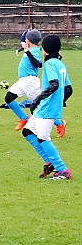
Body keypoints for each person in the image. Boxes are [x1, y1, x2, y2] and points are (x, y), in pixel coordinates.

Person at [22, 35, 73, 180]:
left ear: (44, 50)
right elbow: (69, 89)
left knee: (43, 138)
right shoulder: (60, 64)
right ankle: (50, 162)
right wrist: (59, 102)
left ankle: (63, 170)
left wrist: (38, 99)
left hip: (46, 108)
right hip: (46, 108)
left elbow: (54, 84)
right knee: (27, 131)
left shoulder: (50, 64)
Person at [5, 29, 42, 131]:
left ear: (29, 40)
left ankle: (59, 123)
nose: (25, 39)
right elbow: (38, 63)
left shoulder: (34, 51)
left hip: (30, 82)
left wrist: (27, 52)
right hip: (23, 81)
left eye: (26, 38)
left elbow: (37, 64)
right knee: (8, 98)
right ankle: (24, 119)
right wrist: (25, 50)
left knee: (41, 106)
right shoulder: (30, 49)